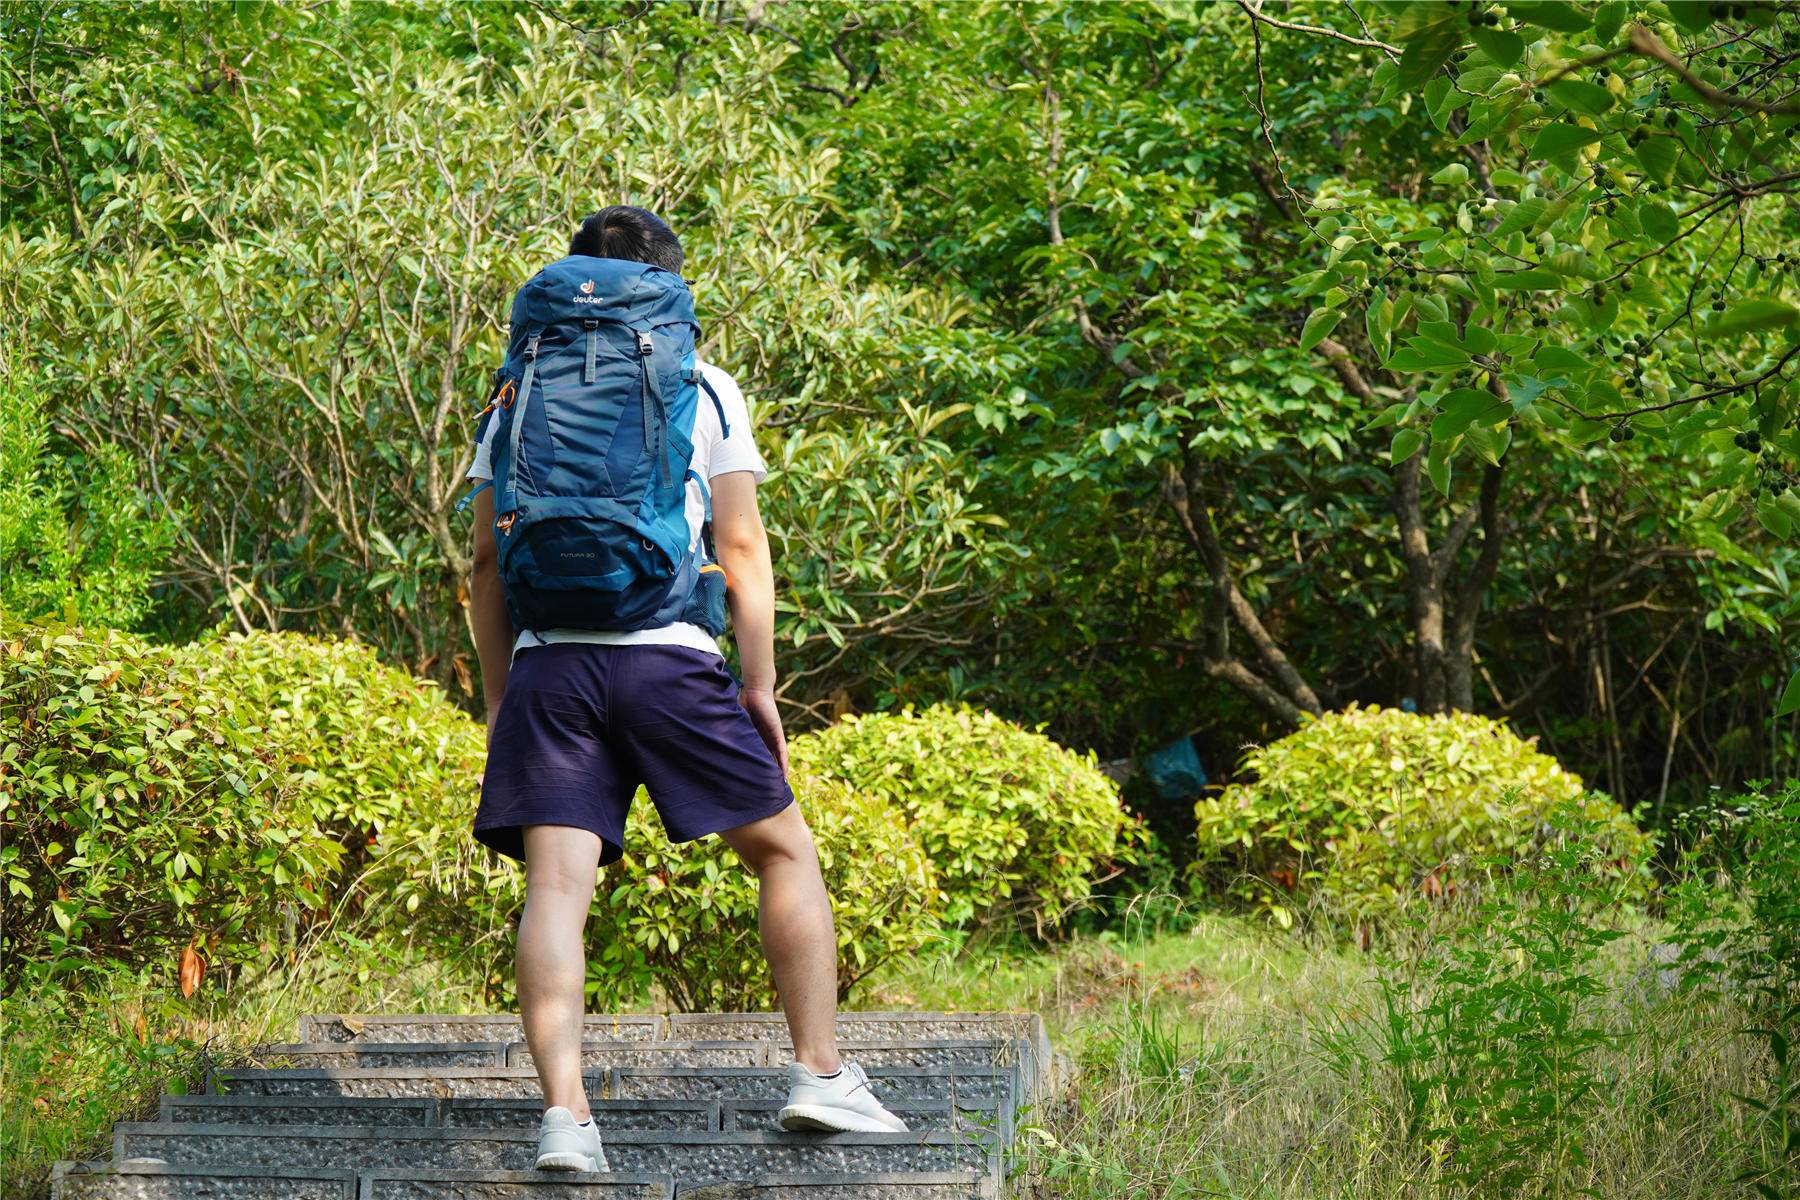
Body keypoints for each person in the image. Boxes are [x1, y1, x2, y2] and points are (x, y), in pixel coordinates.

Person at [463, 206, 906, 1174]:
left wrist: (502, 700)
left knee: (556, 891)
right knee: (783, 851)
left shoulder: (515, 393)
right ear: (668, 288)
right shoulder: (700, 384)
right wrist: (761, 685)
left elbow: (486, 568)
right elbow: (739, 547)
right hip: (670, 657)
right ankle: (820, 1077)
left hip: (550, 669)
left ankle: (566, 1120)